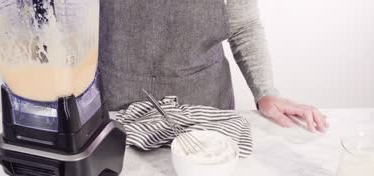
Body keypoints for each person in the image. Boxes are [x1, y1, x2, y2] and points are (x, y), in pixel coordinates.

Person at [98, 0, 328, 133]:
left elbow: (243, 25)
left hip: (205, 111)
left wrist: (265, 91)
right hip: (117, 107)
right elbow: (71, 21)